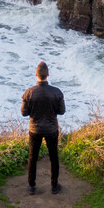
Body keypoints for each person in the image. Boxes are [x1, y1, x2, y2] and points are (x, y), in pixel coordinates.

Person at [21, 61, 65, 195]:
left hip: (35, 130)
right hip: (51, 129)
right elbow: (61, 111)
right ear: (48, 75)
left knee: (32, 157)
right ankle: (54, 186)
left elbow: (24, 112)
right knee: (54, 157)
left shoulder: (29, 93)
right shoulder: (56, 92)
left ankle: (31, 186)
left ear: (36, 75)